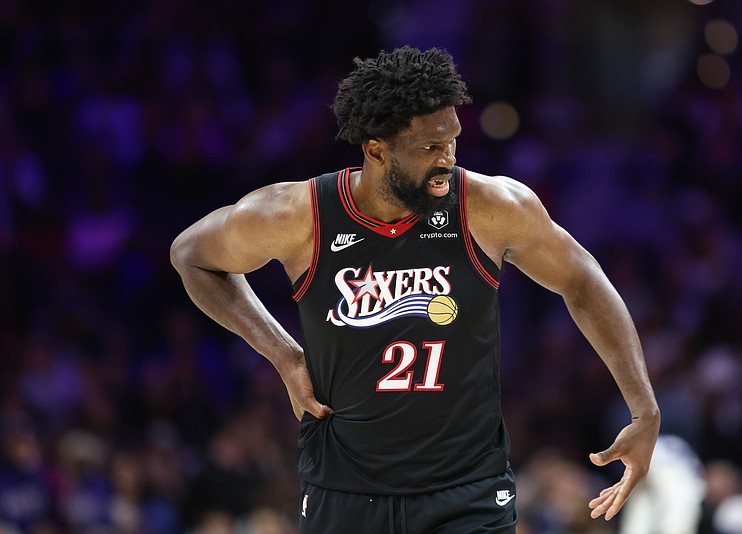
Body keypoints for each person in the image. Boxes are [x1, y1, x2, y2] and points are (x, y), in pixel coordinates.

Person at [170, 45, 660, 533]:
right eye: (429, 148)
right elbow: (190, 255)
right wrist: (284, 355)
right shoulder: (298, 215)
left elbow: (583, 279)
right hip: (345, 491)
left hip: (467, 492)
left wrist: (644, 408)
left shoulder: (488, 206)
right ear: (376, 148)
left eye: (452, 141)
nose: (447, 159)